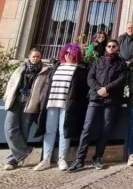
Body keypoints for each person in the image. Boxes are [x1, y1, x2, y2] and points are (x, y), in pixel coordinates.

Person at [67, 40, 128, 172]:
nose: (111, 48)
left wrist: (107, 89)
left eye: (114, 46)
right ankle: (80, 160)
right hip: (95, 99)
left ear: (117, 48)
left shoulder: (121, 63)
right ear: (106, 47)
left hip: (111, 100)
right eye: (109, 46)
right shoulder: (98, 61)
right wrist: (99, 89)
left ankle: (98, 157)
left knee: (105, 129)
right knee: (87, 128)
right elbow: (90, 77)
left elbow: (121, 79)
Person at [34, 43, 89, 171]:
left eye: (72, 53)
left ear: (76, 55)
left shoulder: (80, 70)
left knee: (64, 131)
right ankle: (46, 158)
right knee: (49, 130)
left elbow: (82, 90)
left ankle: (61, 158)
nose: (69, 55)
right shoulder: (56, 68)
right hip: (52, 102)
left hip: (67, 105)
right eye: (67, 53)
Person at [3, 48, 50, 170]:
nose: (35, 59)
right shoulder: (21, 68)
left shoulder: (44, 71)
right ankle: (25, 151)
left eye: (38, 57)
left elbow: (44, 90)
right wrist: (7, 96)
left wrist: (39, 104)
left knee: (24, 131)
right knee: (9, 128)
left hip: (30, 102)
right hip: (16, 100)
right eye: (34, 56)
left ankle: (12, 161)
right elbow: (12, 83)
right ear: (29, 57)